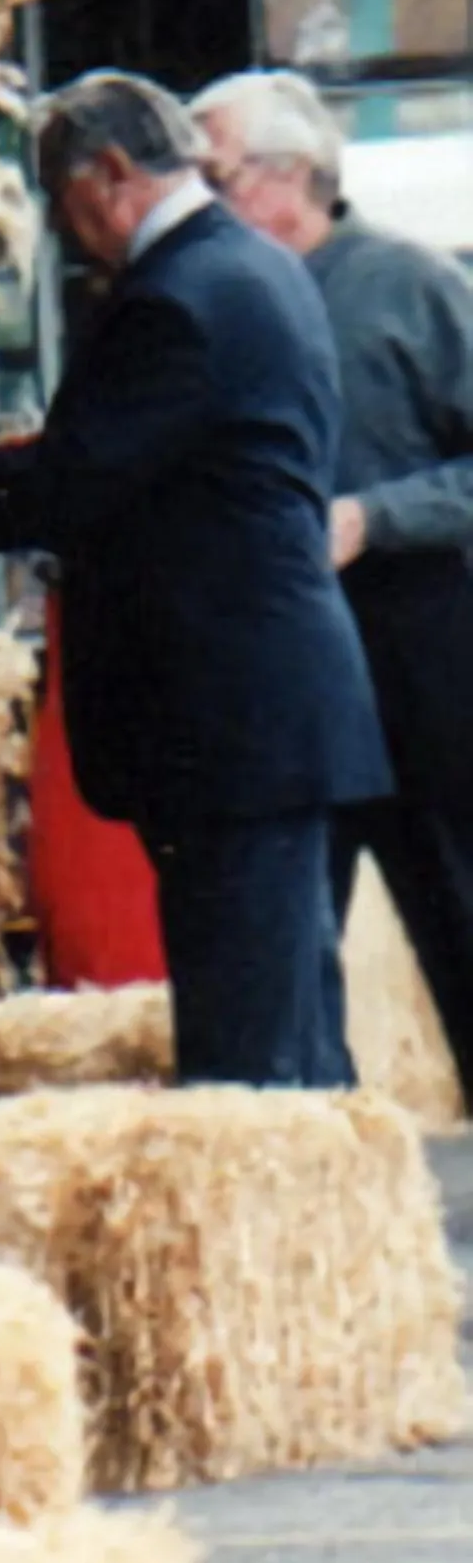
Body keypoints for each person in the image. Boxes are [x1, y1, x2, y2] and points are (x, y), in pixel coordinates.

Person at [0, 70, 387, 1088]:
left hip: (232, 712)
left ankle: (260, 1240)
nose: (71, 232)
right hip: (266, 704)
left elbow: (68, 483)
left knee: (249, 1043)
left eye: (67, 203)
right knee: (288, 1022)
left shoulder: (179, 296)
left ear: (112, 173)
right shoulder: (253, 268)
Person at [191, 68, 473, 1096]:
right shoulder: (209, 300)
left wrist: (374, 517)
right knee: (284, 935)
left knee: (455, 903)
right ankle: (320, 1164)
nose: (194, 201)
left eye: (210, 175)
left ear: (289, 178)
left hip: (419, 651)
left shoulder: (408, 283)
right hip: (276, 665)